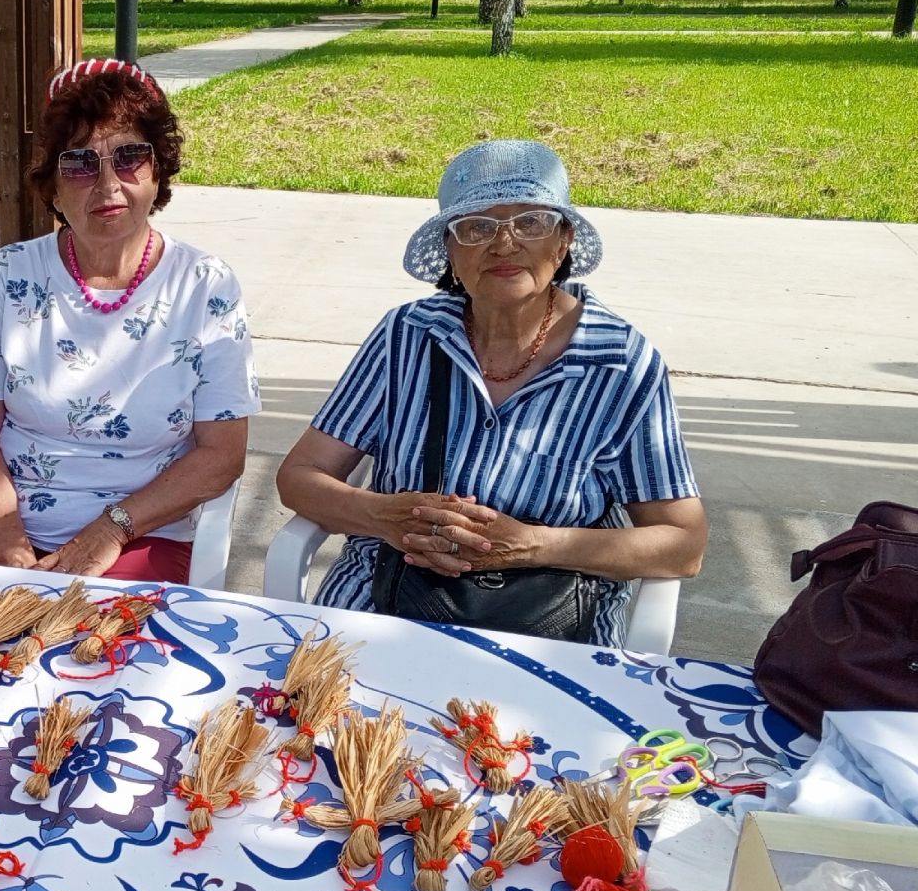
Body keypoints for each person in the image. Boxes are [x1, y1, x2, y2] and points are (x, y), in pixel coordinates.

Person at [275, 139, 707, 645]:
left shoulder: (619, 361)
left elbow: (682, 544)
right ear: (451, 252)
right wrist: (385, 517)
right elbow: (300, 477)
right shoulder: (408, 334)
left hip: (551, 623)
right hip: (383, 596)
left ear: (563, 242)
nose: (504, 244)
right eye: (477, 227)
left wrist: (531, 545)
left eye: (531, 222)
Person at [0, 58, 259, 582]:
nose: (108, 184)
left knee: (101, 638)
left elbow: (222, 455)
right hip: (2, 525)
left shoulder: (205, 285)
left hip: (143, 531)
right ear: (53, 187)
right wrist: (12, 547)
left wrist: (111, 530)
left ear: (158, 171)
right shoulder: (10, 274)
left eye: (129, 157)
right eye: (80, 164)